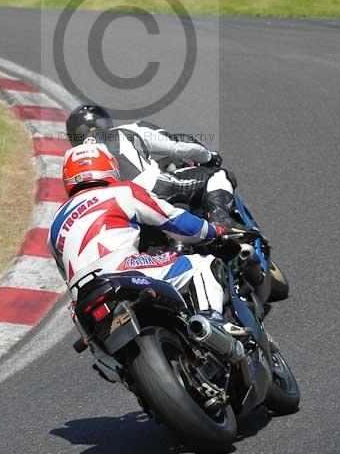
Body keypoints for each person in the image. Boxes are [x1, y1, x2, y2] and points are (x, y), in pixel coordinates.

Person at [49, 140, 237, 324]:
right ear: (109, 165)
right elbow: (173, 219)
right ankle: (211, 324)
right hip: (122, 270)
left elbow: (65, 276)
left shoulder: (54, 224)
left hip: (82, 298)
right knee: (202, 265)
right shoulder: (121, 192)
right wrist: (214, 230)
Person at [65, 104, 238, 228]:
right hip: (154, 189)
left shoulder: (72, 160)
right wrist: (209, 156)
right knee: (218, 174)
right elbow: (177, 146)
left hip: (112, 211)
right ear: (105, 122)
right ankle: (220, 220)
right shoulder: (129, 130)